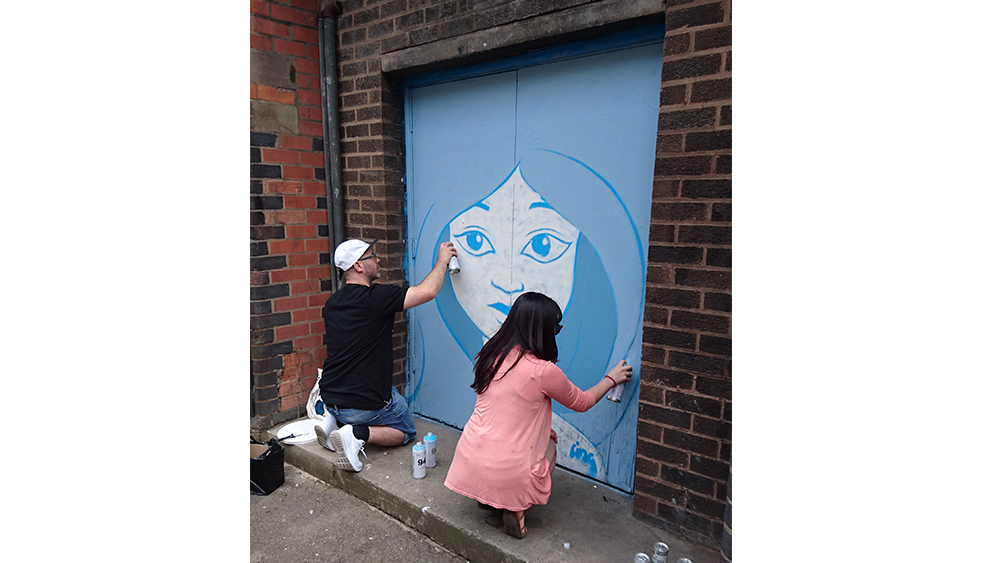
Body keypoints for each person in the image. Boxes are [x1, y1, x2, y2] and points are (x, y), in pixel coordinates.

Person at [443, 292, 632, 539]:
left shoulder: (491, 355)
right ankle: (518, 509)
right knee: (550, 444)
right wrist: (611, 379)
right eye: (556, 327)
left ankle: (487, 498)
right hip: (507, 471)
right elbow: (582, 402)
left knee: (531, 439)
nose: (556, 332)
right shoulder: (543, 371)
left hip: (469, 459)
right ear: (542, 330)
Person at [313, 237, 457, 472]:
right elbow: (428, 291)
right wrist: (442, 260)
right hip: (361, 404)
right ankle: (356, 433)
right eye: (372, 256)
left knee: (390, 394)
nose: (378, 259)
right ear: (358, 266)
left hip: (330, 395)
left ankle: (333, 421)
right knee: (407, 430)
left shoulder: (332, 303)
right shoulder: (376, 298)